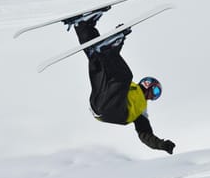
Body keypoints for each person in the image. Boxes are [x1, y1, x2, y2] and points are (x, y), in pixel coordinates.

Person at [70, 11, 176, 155]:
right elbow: (114, 64)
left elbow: (145, 135)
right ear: (145, 82)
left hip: (112, 111)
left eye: (156, 94)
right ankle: (83, 25)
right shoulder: (130, 87)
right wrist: (121, 38)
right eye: (153, 87)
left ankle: (109, 46)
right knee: (97, 60)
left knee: (123, 75)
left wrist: (161, 145)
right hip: (100, 101)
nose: (152, 93)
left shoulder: (141, 111)